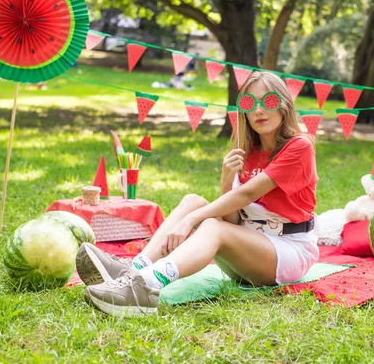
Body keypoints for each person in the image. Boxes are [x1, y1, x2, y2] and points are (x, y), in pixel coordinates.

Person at [78, 71, 320, 316]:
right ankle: (135, 268)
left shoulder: (299, 146)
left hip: (287, 251)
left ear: (284, 104)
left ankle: (145, 288)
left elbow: (246, 195)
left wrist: (191, 220)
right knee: (193, 201)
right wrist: (226, 180)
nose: (259, 110)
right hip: (250, 248)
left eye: (268, 101)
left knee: (212, 226)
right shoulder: (246, 149)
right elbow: (236, 219)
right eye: (249, 103)